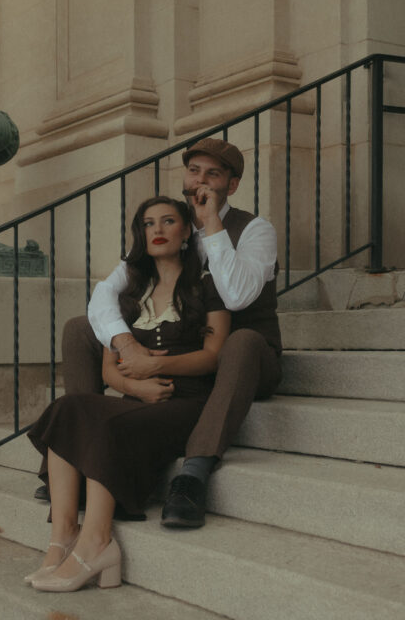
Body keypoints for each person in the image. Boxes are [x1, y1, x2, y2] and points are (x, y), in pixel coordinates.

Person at [53, 136, 282, 529]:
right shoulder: (168, 228)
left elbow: (239, 297)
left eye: (213, 174)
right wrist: (126, 346)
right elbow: (106, 293)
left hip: (242, 356)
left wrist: (212, 224)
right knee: (79, 329)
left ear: (232, 183)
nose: (201, 181)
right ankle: (82, 452)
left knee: (240, 342)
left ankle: (193, 473)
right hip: (186, 341)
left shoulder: (255, 230)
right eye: (194, 171)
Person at [25, 196, 230, 592]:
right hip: (138, 399)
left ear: (186, 230)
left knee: (105, 424)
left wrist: (157, 367)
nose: (157, 230)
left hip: (185, 401)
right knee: (66, 407)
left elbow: (214, 356)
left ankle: (99, 542)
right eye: (149, 224)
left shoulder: (207, 284)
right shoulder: (128, 294)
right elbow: (109, 369)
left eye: (168, 221)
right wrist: (134, 385)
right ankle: (62, 536)